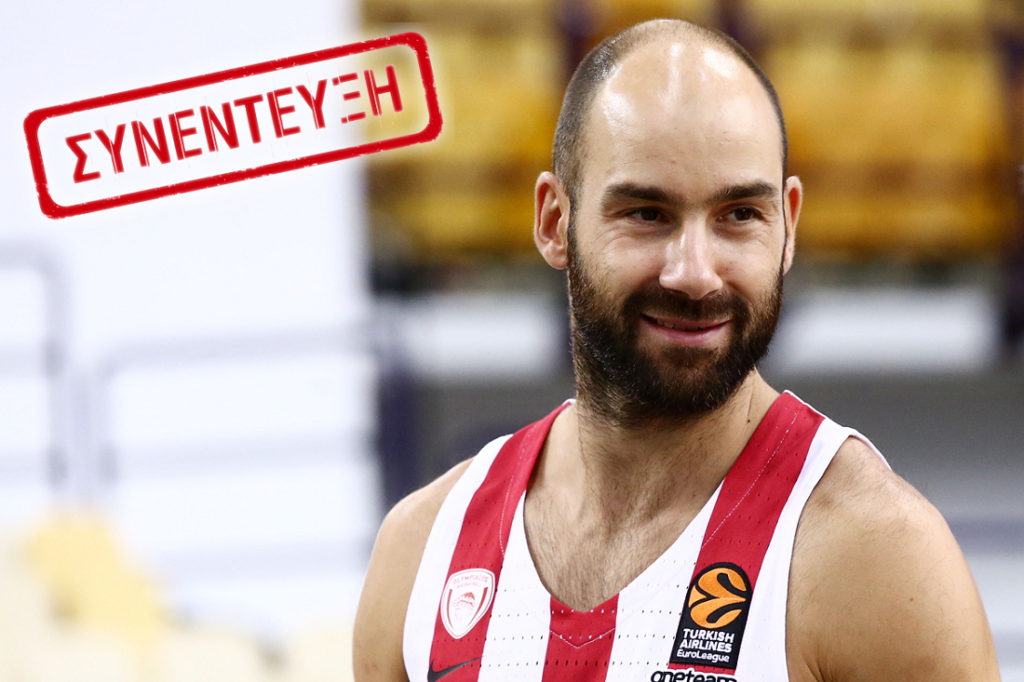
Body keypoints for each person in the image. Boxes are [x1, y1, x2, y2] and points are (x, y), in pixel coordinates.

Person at [354, 19, 1001, 682]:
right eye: (646, 213)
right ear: (554, 222)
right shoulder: (422, 549)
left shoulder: (876, 559)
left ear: (788, 226)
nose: (694, 273)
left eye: (740, 215)